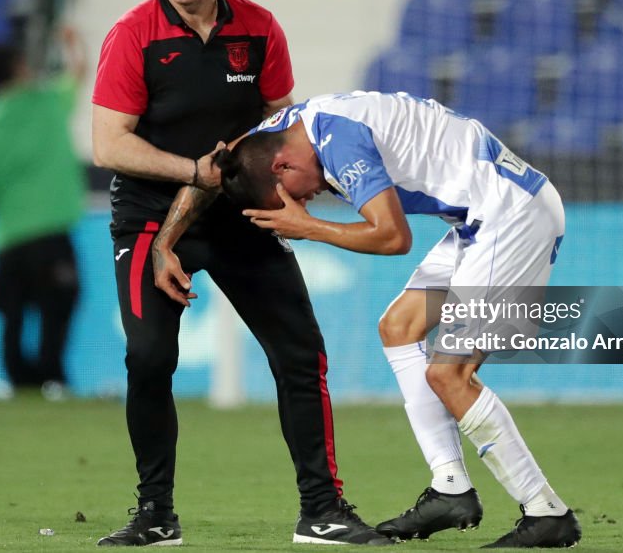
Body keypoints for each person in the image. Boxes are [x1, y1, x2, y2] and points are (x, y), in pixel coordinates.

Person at [90, 0, 392, 547]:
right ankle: (154, 512)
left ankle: (322, 509)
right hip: (148, 218)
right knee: (148, 358)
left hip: (242, 215)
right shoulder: (133, 34)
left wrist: (294, 198)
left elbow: (284, 124)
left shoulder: (259, 29)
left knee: (301, 353)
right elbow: (108, 144)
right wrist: (193, 172)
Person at [206, 90, 583, 549]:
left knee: (451, 373)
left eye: (297, 195)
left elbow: (392, 236)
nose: (310, 199)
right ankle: (451, 489)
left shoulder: (338, 142)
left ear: (282, 166)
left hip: (511, 216)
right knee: (399, 328)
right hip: (482, 217)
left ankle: (546, 513)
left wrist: (309, 228)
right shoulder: (287, 129)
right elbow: (225, 157)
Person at [0, 28, 88, 400]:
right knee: (57, 307)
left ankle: (16, 381)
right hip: (52, 233)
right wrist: (72, 44)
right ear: (17, 68)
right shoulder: (46, 103)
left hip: (10, 236)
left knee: (13, 312)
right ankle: (53, 380)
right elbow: (78, 74)